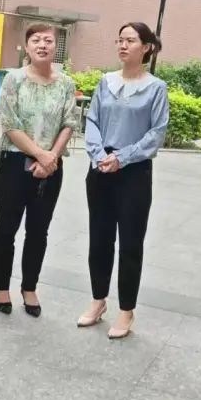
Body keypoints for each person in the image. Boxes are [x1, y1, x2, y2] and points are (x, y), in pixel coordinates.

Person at [77, 22, 169, 339]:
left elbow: (156, 133)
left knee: (130, 242)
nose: (123, 45)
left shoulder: (156, 88)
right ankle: (98, 300)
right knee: (99, 238)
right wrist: (99, 155)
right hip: (101, 168)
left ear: (147, 47)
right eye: (119, 40)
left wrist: (122, 157)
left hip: (134, 172)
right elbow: (92, 120)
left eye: (130, 40)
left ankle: (126, 310)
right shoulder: (106, 82)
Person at [0, 23, 79, 317]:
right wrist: (41, 154)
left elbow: (69, 122)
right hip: (14, 163)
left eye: (49, 41)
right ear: (27, 46)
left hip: (51, 167)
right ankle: (1, 288)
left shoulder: (66, 84)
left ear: (56, 47)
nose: (43, 45)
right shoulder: (13, 80)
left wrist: (51, 158)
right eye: (37, 40)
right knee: (6, 227)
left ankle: (29, 287)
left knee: (38, 230)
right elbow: (10, 124)